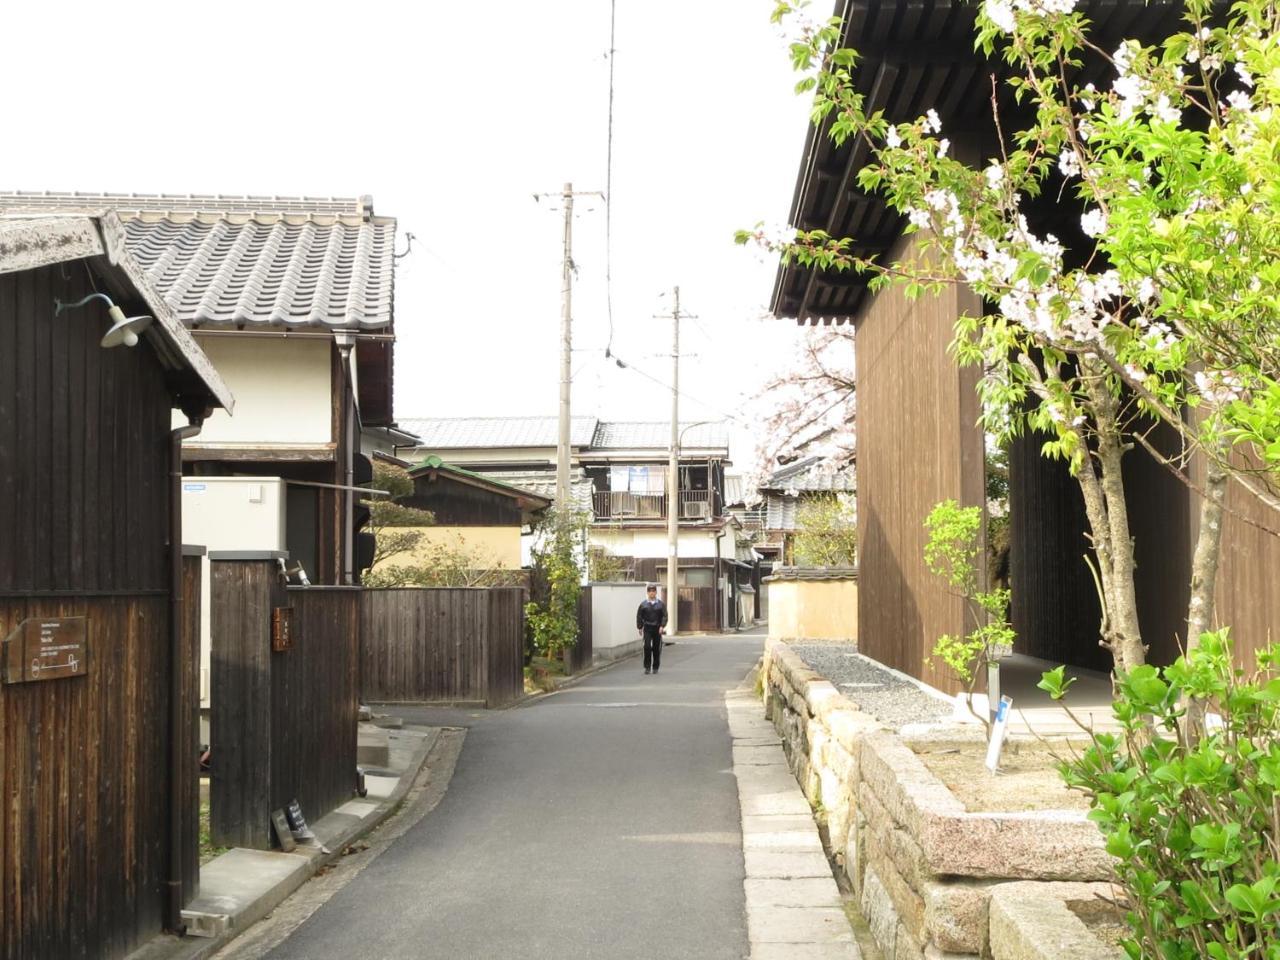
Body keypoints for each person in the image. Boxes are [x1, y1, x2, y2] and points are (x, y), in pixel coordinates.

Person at [636, 584, 668, 675]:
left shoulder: (661, 605)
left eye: (653, 591)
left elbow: (665, 616)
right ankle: (647, 667)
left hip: (657, 629)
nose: (652, 593)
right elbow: (639, 616)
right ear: (647, 592)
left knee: (656, 648)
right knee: (647, 647)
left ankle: (655, 667)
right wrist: (640, 627)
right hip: (647, 628)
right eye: (650, 591)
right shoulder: (643, 605)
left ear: (656, 592)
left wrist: (662, 626)